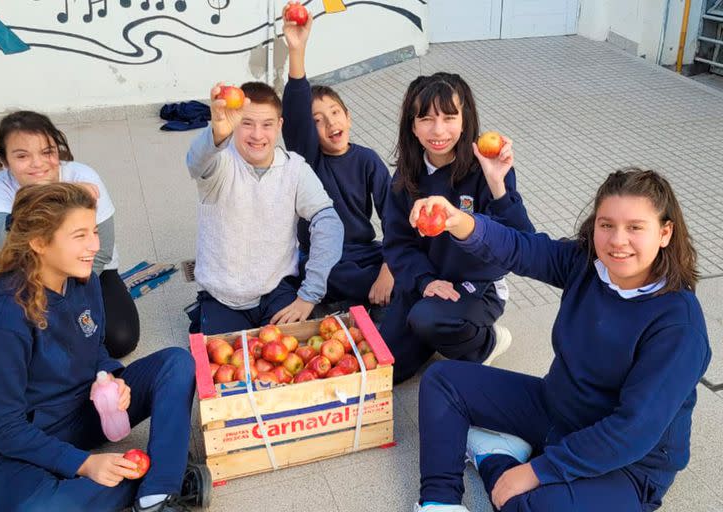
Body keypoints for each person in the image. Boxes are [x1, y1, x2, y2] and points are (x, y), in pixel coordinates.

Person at [412, 168, 711, 512]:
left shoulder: (679, 326)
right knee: (443, 380)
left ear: (665, 232)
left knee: (528, 505)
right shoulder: (585, 264)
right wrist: (458, 220)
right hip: (556, 408)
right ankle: (440, 502)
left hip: (629, 464)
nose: (617, 240)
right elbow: (522, 249)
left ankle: (496, 457)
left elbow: (633, 431)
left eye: (635, 228)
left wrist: (539, 470)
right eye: (606, 224)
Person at [0, 183, 204, 512]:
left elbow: (94, 347)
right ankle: (159, 470)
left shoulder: (82, 279)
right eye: (80, 235)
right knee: (34, 508)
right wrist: (85, 464)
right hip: (28, 439)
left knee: (176, 363)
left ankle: (157, 495)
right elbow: (4, 428)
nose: (95, 245)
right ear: (39, 242)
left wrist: (112, 378)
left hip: (89, 410)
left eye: (94, 231)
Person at [381, 72, 535, 383]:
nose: (438, 130)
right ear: (412, 125)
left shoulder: (486, 170)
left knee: (427, 319)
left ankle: (486, 343)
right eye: (426, 118)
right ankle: (432, 327)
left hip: (478, 285)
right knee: (386, 369)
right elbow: (398, 244)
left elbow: (524, 243)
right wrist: (424, 282)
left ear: (466, 121)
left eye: (449, 117)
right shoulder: (403, 181)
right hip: (427, 284)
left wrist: (498, 184)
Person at [186, 81, 343, 335]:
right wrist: (216, 133)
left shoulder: (295, 168)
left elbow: (328, 223)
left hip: (276, 289)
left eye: (267, 124)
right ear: (234, 122)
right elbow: (196, 163)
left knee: (293, 363)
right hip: (223, 296)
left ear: (279, 126)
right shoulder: (221, 162)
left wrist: (309, 295)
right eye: (247, 123)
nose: (257, 135)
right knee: (228, 371)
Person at [0, 111, 139, 358]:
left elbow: (103, 248)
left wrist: (72, 299)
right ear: (4, 161)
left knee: (120, 339)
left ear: (59, 150)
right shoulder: (0, 186)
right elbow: (1, 239)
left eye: (47, 152)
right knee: (18, 341)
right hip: (31, 271)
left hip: (90, 269)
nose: (37, 163)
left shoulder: (83, 176)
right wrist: (52, 192)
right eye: (22, 156)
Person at [281, 4, 394, 311]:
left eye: (334, 113)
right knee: (324, 273)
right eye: (317, 120)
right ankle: (380, 300)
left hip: (366, 251)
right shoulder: (306, 161)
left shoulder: (368, 160)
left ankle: (379, 296)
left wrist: (390, 269)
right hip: (323, 257)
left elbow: (393, 215)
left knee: (407, 264)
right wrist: (297, 51)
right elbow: (294, 113)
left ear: (349, 117)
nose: (331, 123)